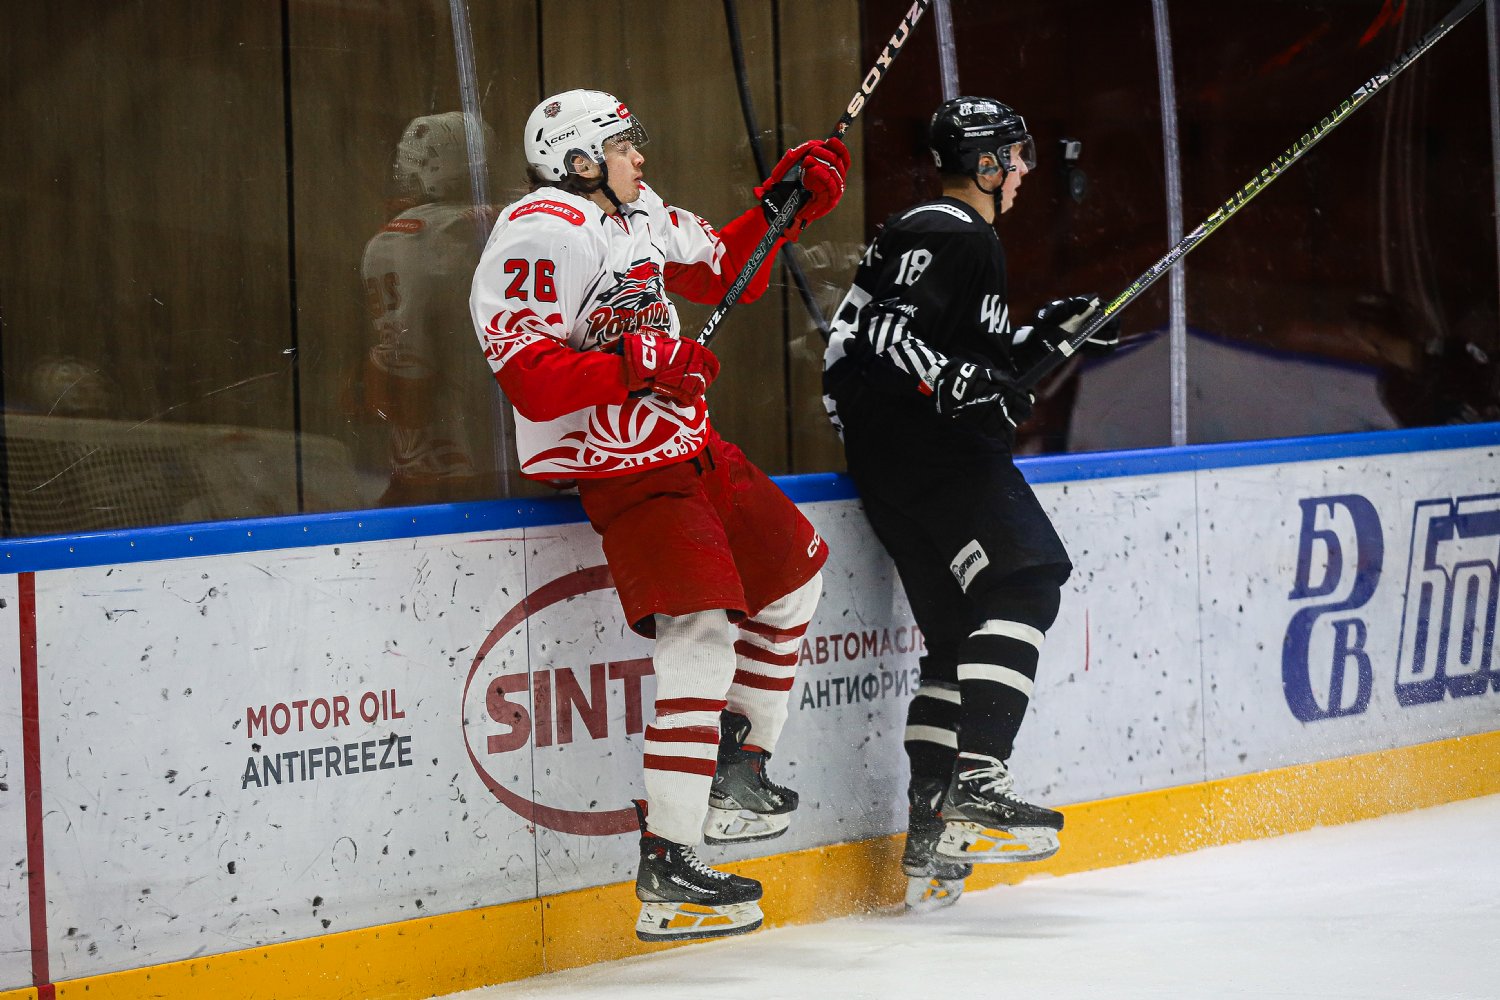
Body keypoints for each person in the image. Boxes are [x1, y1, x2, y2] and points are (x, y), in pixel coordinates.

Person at [469, 90, 848, 941]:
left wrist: (780, 210)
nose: (639, 156)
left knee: (795, 579)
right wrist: (637, 364)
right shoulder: (539, 232)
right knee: (701, 636)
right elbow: (530, 377)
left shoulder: (638, 212)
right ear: (579, 162)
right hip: (624, 467)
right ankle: (671, 859)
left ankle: (736, 765)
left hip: (693, 445)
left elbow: (720, 272)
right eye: (622, 145)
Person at [821, 96, 1118, 912]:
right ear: (985, 165)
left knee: (956, 640)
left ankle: (931, 823)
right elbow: (887, 336)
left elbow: (954, 357)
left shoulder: (950, 236)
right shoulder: (951, 230)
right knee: (1027, 581)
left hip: (895, 458)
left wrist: (1040, 340)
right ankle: (977, 783)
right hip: (931, 452)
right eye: (1014, 158)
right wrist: (954, 383)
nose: (1022, 171)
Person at [357, 112, 498, 506]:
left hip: (442, 467)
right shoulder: (521, 221)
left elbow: (405, 389)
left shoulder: (404, 238)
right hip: (517, 451)